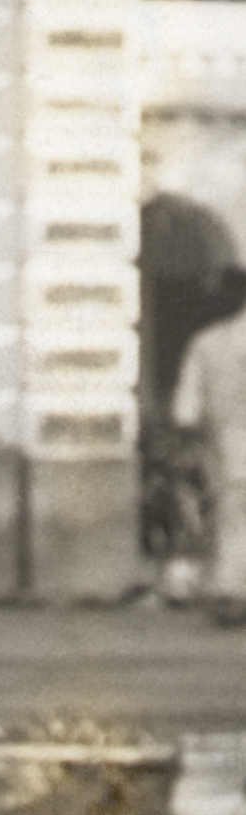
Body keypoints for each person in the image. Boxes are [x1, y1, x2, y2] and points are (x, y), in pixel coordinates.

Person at [171, 266, 246, 624]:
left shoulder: (208, 343)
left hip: (228, 450)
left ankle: (233, 594)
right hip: (229, 447)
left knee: (232, 520)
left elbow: (186, 411)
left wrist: (188, 448)